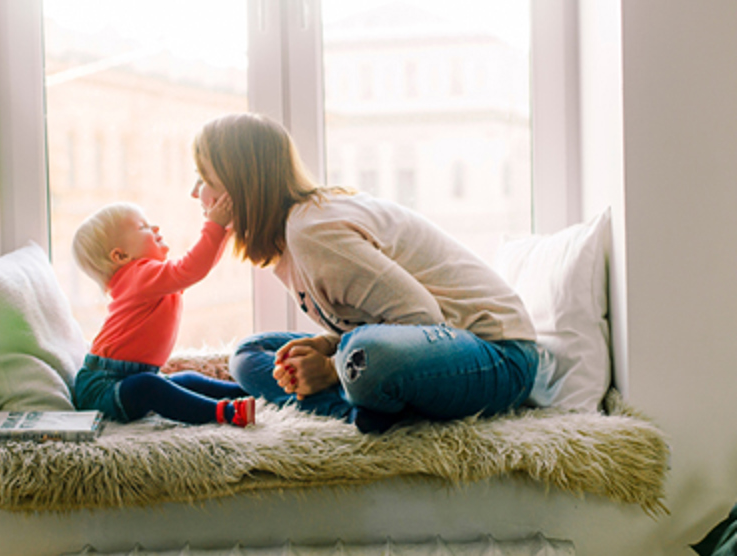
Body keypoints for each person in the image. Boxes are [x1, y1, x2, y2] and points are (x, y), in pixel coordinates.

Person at [190, 112, 539, 433]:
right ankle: (362, 410)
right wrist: (328, 348)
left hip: (498, 357)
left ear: (241, 186)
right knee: (251, 353)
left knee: (365, 355)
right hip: (426, 348)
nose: (195, 192)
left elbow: (423, 318)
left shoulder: (312, 231)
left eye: (205, 178)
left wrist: (329, 368)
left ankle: (357, 400)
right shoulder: (289, 239)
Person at [71, 198, 255, 427]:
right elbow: (191, 268)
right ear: (120, 256)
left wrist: (225, 231)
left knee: (185, 380)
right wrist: (215, 226)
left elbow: (199, 269)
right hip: (102, 387)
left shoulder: (150, 279)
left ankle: (249, 392)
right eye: (143, 227)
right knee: (149, 387)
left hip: (130, 376)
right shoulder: (139, 276)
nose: (155, 227)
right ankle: (224, 412)